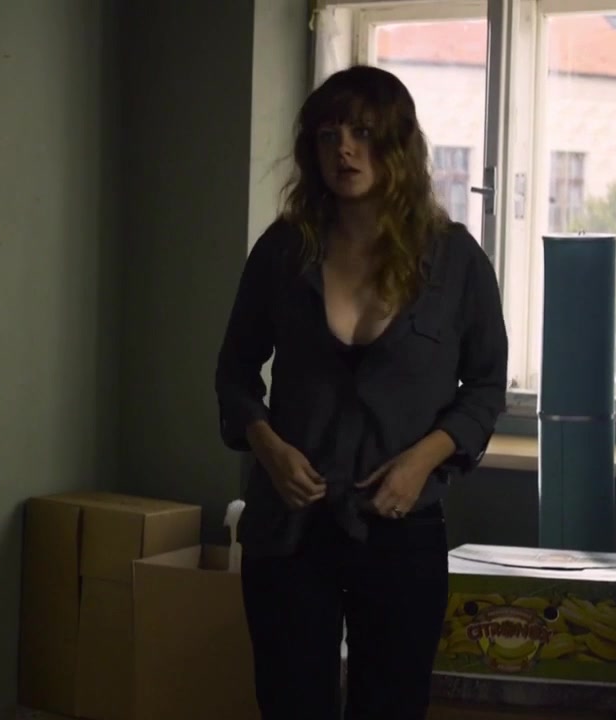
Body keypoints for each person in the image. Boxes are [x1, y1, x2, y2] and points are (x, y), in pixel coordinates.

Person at [214, 64, 509, 720]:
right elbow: (234, 374)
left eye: (362, 133)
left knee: (392, 705)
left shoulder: (456, 261)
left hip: (402, 527)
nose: (343, 149)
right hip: (290, 529)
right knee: (292, 704)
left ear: (398, 146)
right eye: (328, 135)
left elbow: (487, 387)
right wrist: (268, 448)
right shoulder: (283, 252)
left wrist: (423, 459)